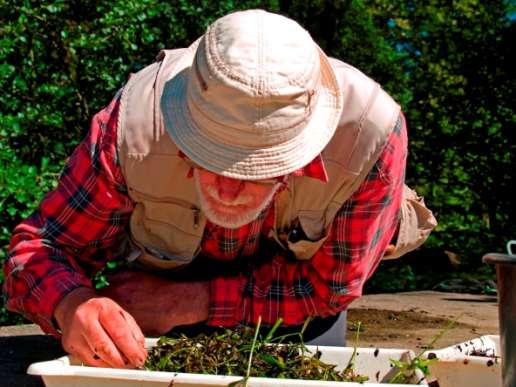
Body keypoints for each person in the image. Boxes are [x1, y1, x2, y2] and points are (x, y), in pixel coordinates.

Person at [2, 9, 436, 369]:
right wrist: (72, 303)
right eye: (208, 155)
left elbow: (328, 288)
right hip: (151, 305)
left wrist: (188, 302)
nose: (228, 190)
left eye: (258, 168)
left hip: (293, 304)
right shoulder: (131, 129)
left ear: (303, 153)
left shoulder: (369, 137)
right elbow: (40, 249)